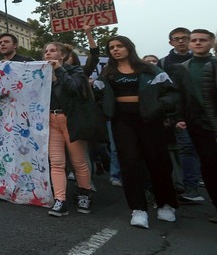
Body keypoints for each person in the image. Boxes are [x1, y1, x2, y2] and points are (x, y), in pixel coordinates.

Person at [93, 35, 180, 229]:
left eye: (120, 46)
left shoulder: (150, 69)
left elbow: (172, 93)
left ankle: (166, 204)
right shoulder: (107, 73)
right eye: (112, 47)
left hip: (150, 121)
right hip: (122, 122)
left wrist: (159, 107)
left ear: (129, 48)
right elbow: (98, 95)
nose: (115, 49)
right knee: (130, 163)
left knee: (158, 162)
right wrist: (106, 109)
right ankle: (138, 209)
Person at [44, 42, 104, 216]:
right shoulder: (41, 74)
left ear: (62, 56)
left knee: (79, 162)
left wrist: (59, 70)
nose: (48, 53)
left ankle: (84, 194)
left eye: (52, 51)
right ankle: (60, 200)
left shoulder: (74, 71)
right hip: (51, 121)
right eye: (46, 51)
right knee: (56, 163)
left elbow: (74, 89)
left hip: (71, 120)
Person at [167, 29, 217, 224]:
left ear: (212, 43)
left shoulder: (214, 64)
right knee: (210, 166)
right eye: (194, 40)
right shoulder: (182, 68)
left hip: (213, 122)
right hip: (198, 126)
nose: (197, 43)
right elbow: (177, 96)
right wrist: (178, 117)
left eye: (202, 40)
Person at [157, 27, 202, 203]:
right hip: (179, 115)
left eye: (185, 38)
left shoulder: (203, 60)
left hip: (205, 113)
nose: (181, 41)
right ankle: (189, 187)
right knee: (186, 149)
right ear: (171, 42)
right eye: (177, 39)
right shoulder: (163, 63)